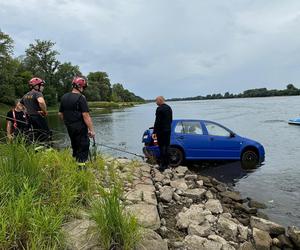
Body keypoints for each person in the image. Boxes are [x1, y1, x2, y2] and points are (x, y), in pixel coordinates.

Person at [58, 76, 95, 168]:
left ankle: (75, 163)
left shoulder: (64, 97)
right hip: (80, 127)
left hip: (69, 126)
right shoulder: (81, 98)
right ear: (79, 86)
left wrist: (67, 123)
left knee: (74, 144)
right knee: (83, 145)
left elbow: (60, 114)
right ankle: (81, 168)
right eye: (83, 87)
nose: (83, 89)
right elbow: (86, 115)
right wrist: (91, 130)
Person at [21, 77, 51, 142]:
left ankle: (36, 149)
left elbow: (21, 105)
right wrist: (44, 112)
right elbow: (41, 102)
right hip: (38, 117)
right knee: (45, 134)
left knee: (35, 135)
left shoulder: (25, 95)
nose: (43, 87)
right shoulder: (37, 93)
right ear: (37, 86)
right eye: (42, 85)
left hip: (29, 118)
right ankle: (46, 149)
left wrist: (27, 111)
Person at [152, 96, 173, 171]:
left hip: (161, 131)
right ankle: (167, 164)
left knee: (162, 147)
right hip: (168, 130)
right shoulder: (169, 108)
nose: (155, 102)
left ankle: (162, 165)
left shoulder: (159, 109)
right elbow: (171, 120)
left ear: (160, 100)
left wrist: (154, 132)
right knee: (167, 146)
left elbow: (157, 121)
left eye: (156, 100)